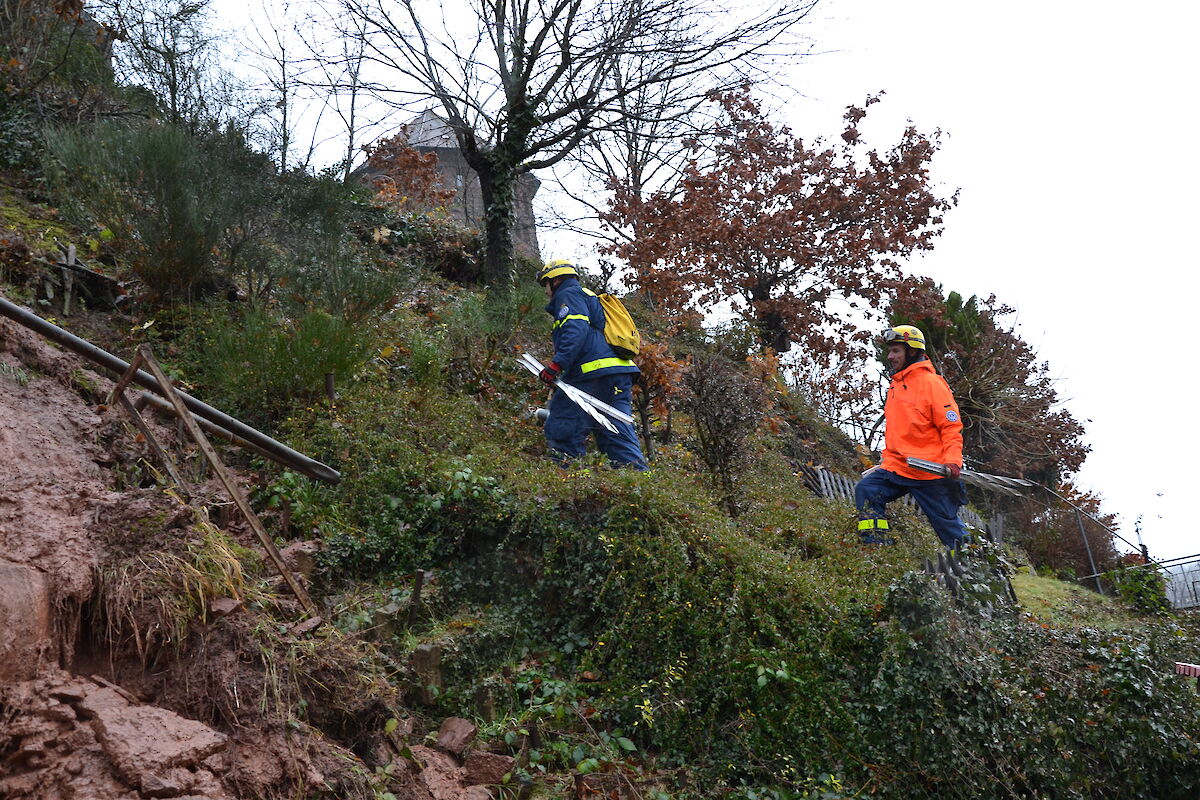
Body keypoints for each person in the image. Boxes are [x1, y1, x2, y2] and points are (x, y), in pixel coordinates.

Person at [854, 324, 969, 549]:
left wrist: (954, 461)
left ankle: (984, 571)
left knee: (950, 531)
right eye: (890, 351)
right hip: (899, 467)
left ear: (913, 351)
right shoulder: (895, 386)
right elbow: (899, 433)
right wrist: (886, 463)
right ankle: (876, 550)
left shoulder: (932, 384)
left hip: (930, 472)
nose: (890, 356)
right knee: (867, 490)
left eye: (896, 351)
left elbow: (951, 427)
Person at [535, 260, 647, 470]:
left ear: (556, 280)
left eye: (546, 285)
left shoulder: (567, 296)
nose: (546, 292)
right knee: (617, 433)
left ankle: (569, 481)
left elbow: (575, 330)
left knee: (563, 426)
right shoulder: (587, 296)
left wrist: (556, 366)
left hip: (591, 374)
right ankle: (642, 487)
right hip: (618, 375)